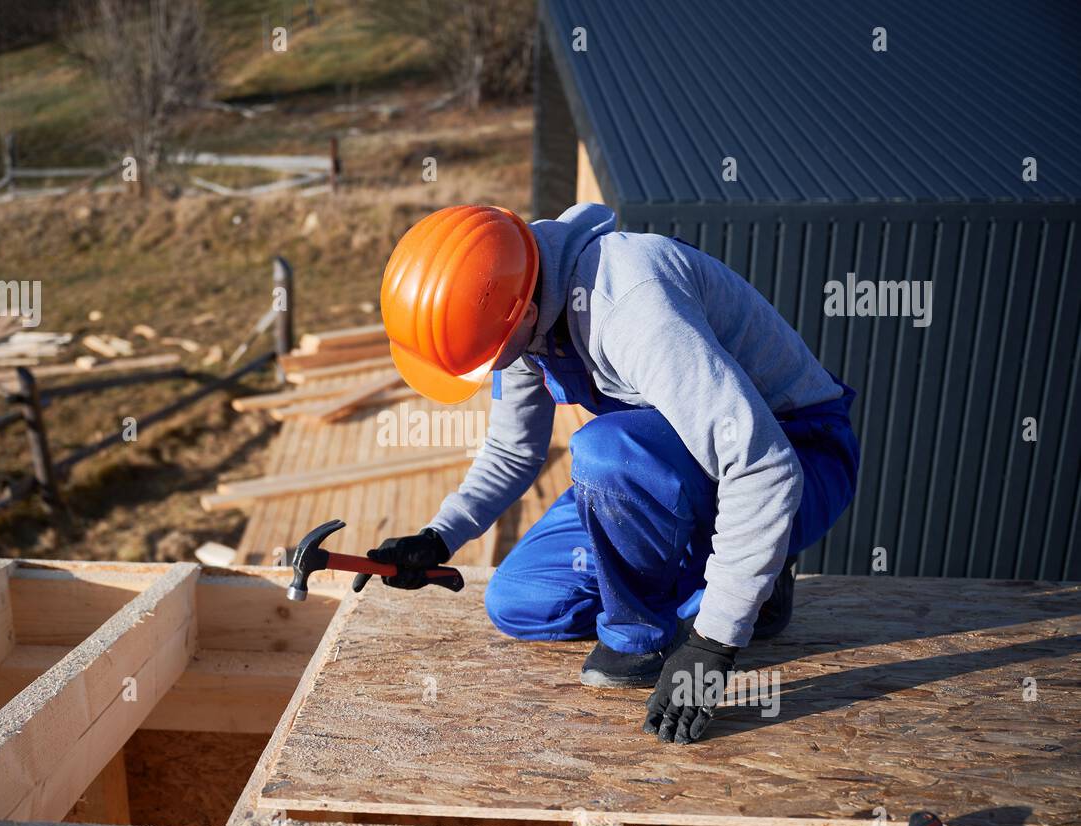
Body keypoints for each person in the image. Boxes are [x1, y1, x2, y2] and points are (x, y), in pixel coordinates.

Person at [364, 203, 859, 744]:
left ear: (524, 313)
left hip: (797, 458)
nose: (493, 369)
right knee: (520, 601)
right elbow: (512, 451)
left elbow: (765, 468)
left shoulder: (631, 306)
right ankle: (733, 582)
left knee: (604, 452)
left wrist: (713, 643)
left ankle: (651, 632)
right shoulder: (521, 303)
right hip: (671, 465)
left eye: (489, 357)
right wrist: (439, 537)